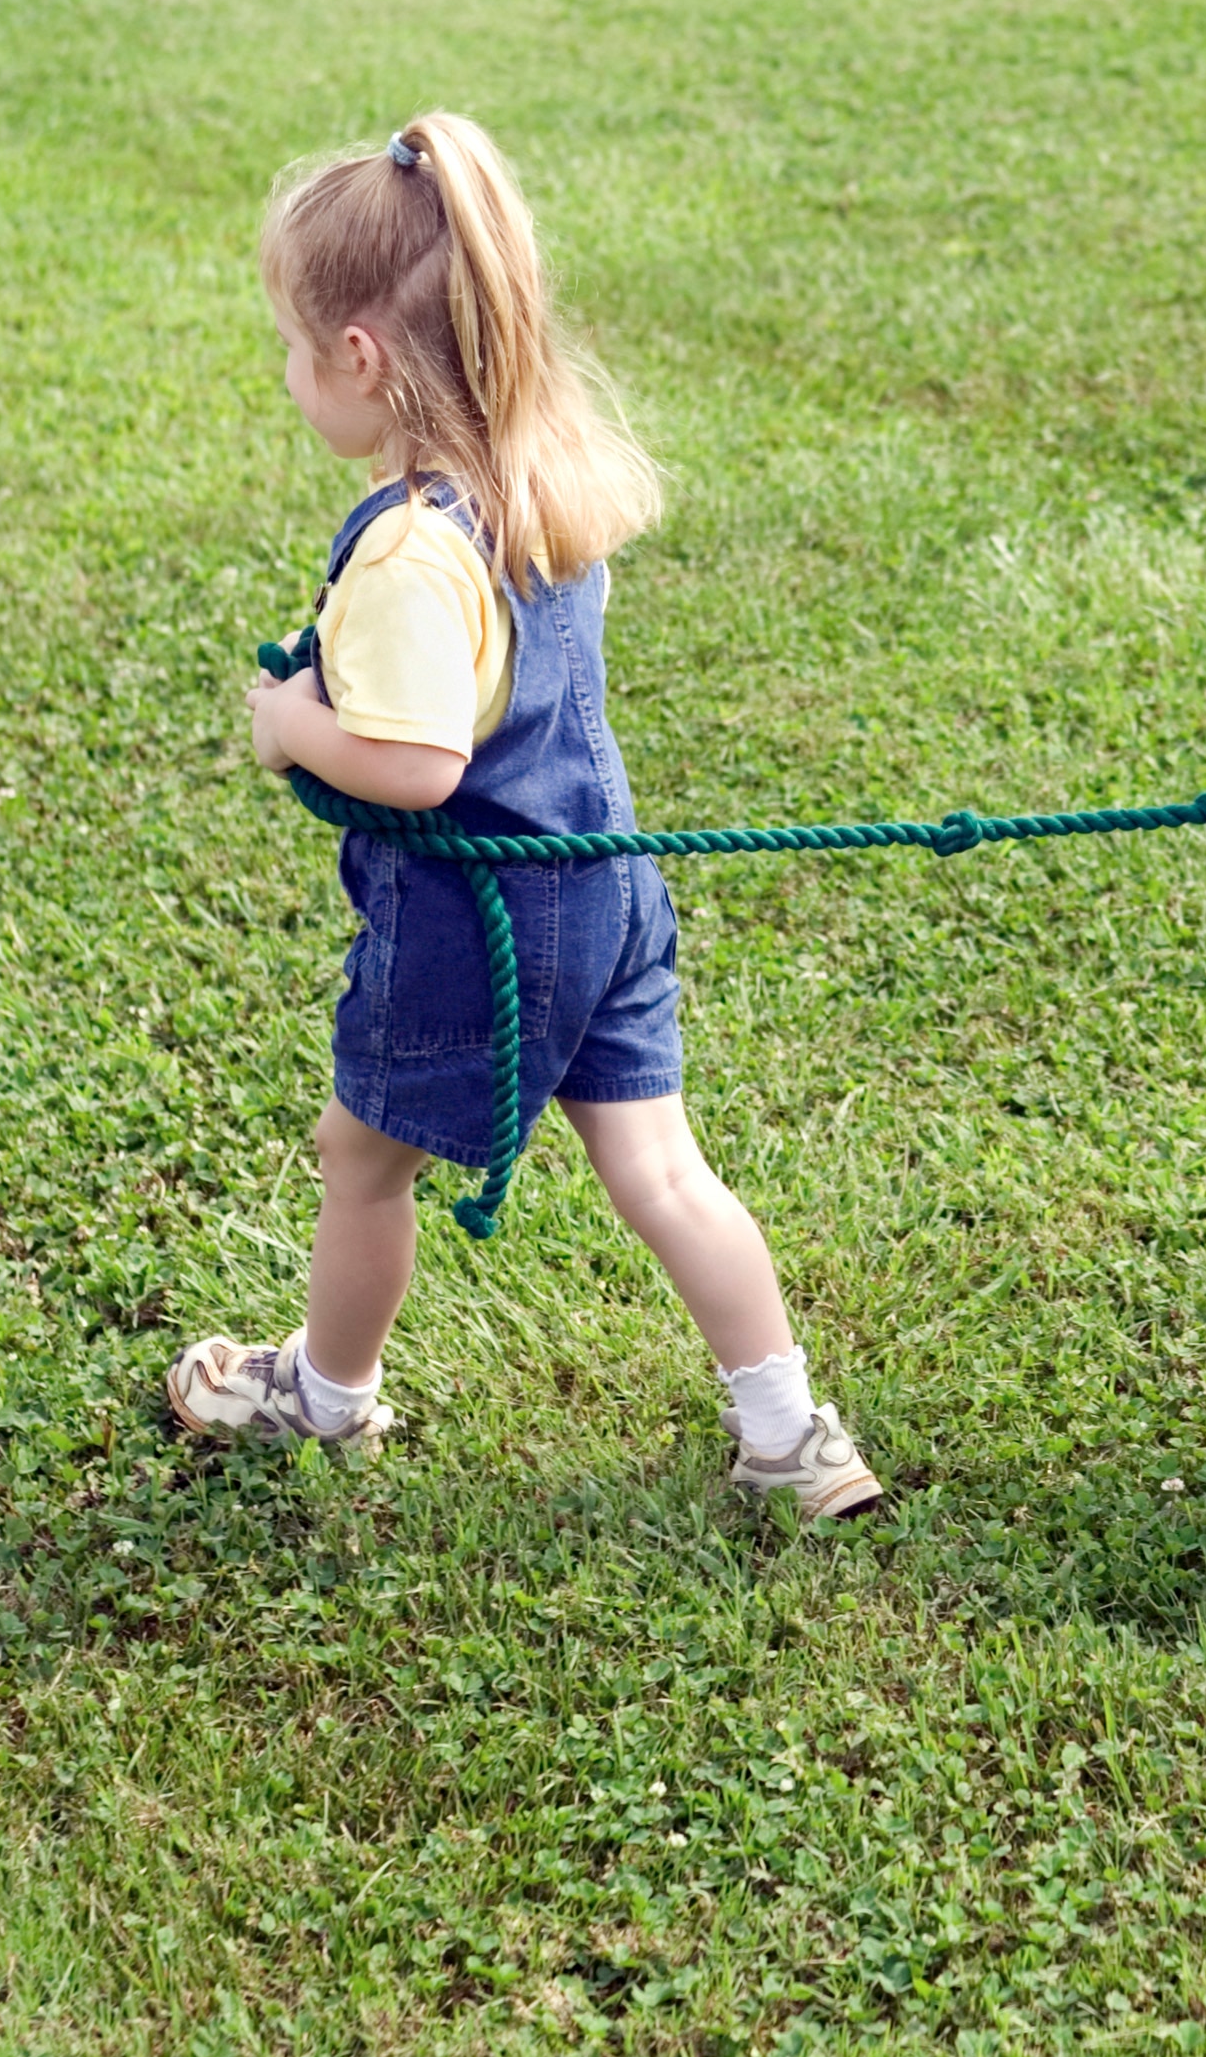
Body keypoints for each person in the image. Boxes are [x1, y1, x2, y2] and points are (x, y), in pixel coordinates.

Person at [165, 113, 882, 1517]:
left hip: (475, 921)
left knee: (360, 1160)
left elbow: (421, 763)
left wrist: (292, 726)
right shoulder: (538, 482)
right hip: (608, 891)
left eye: (294, 350)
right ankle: (790, 1434)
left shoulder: (407, 549)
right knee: (663, 1170)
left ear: (358, 360)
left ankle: (326, 1394)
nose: (290, 376)